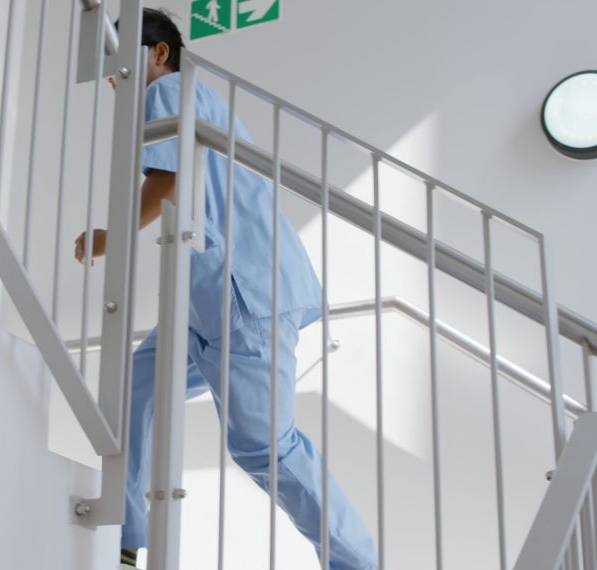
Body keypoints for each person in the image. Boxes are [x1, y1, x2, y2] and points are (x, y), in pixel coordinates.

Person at [75, 9, 377, 570]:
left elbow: (167, 182)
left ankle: (357, 562)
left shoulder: (167, 90)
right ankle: (127, 532)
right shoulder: (195, 98)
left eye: (123, 51)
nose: (114, 67)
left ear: (159, 52)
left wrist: (110, 237)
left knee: (263, 447)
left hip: (241, 296)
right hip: (208, 304)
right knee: (135, 386)